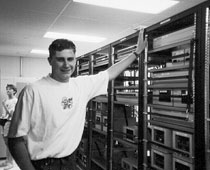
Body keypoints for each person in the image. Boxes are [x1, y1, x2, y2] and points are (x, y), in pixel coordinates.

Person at [7, 29, 147, 170]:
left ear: (75, 59)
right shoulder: (33, 91)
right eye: (60, 59)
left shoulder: (81, 85)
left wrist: (136, 53)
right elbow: (15, 139)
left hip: (70, 162)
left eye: (70, 59)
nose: (66, 65)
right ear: (50, 61)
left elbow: (110, 73)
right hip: (44, 165)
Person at [0, 84, 18, 170]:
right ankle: (7, 161)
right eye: (7, 89)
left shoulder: (15, 100)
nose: (7, 90)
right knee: (6, 142)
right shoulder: (6, 101)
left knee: (9, 143)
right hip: (4, 122)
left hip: (10, 122)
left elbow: (11, 114)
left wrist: (3, 105)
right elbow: (6, 114)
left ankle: (10, 163)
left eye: (10, 89)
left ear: (14, 91)